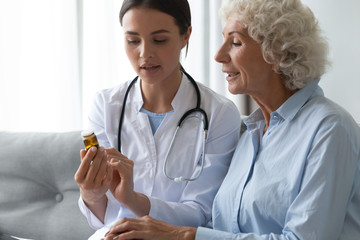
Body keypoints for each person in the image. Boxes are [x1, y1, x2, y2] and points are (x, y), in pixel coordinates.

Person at [101, 0, 360, 239]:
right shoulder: (251, 134)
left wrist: (182, 236)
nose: (219, 55)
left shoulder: (329, 129)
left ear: (278, 52)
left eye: (235, 43)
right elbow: (223, 229)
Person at [74, 0, 241, 239]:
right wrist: (90, 195)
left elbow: (201, 213)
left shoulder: (220, 113)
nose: (144, 54)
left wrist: (132, 199)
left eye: (159, 40)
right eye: (133, 41)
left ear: (186, 35)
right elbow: (104, 215)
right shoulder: (105, 105)